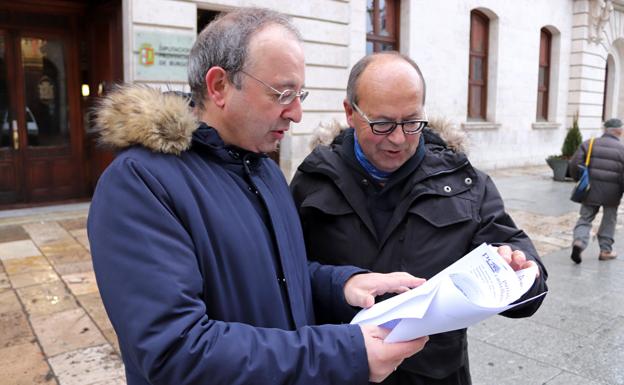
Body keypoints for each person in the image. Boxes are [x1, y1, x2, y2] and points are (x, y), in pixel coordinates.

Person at [87, 8, 429, 385]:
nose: (297, 113)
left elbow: (275, 276)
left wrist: (342, 285)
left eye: (299, 94)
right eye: (282, 94)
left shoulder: (263, 169)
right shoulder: (139, 184)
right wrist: (345, 352)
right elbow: (174, 351)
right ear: (218, 86)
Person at [290, 52, 549, 385]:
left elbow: (529, 284)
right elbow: (286, 276)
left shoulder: (466, 184)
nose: (398, 139)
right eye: (382, 124)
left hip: (435, 375)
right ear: (350, 113)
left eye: (412, 122)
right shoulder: (313, 179)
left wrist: (520, 271)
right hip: (341, 369)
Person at [569, 117, 624, 263]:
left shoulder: (590, 143)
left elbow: (574, 164)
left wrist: (579, 180)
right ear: (618, 131)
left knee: (585, 218)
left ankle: (579, 242)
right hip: (613, 193)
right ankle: (605, 251)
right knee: (609, 220)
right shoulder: (622, 149)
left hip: (590, 190)